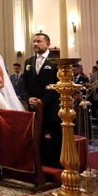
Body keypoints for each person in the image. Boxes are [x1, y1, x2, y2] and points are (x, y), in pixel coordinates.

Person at [22, 33, 61, 168]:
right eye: (34, 41)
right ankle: (41, 161)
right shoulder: (28, 62)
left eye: (39, 41)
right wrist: (28, 98)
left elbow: (57, 85)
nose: (35, 44)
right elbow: (25, 84)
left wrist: (42, 101)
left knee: (56, 135)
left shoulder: (57, 61)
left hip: (51, 106)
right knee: (37, 136)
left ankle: (58, 163)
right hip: (34, 105)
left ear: (48, 44)